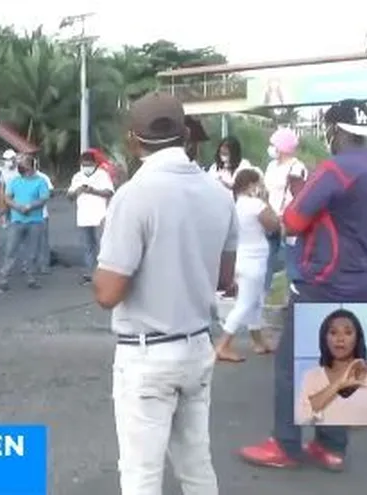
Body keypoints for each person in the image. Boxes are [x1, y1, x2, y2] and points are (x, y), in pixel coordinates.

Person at [93, 92, 237, 494]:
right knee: (196, 466)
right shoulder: (218, 194)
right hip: (196, 346)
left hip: (147, 353)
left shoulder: (134, 195)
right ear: (186, 134)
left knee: (141, 474)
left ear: (132, 139)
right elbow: (225, 277)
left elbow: (108, 291)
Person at [239, 99, 367, 472]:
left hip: (326, 281)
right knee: (344, 363)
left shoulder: (334, 169)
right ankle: (332, 447)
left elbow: (293, 218)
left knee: (293, 364)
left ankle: (286, 446)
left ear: (335, 131)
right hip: (366, 280)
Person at [215, 168, 278, 362]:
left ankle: (258, 342)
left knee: (255, 302)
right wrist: (266, 201)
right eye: (258, 183)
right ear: (251, 185)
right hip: (254, 262)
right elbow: (274, 225)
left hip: (240, 259)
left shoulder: (234, 205)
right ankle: (222, 345)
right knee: (244, 305)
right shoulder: (256, 205)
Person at [296, 308, 367, 426]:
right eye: (333, 333)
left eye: (348, 333)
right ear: (325, 338)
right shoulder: (311, 377)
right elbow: (301, 419)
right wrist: (338, 384)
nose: (340, 339)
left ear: (357, 338)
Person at [262, 128, 308, 299]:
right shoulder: (271, 166)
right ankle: (260, 302)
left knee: (292, 264)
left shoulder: (297, 167)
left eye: (274, 144)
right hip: (269, 220)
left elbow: (300, 197)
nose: (271, 148)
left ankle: (294, 302)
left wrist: (287, 220)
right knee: (264, 264)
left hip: (289, 224)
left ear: (282, 147)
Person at [0, 154, 50, 291]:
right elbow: (7, 197)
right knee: (11, 249)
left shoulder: (40, 181)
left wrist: (30, 206)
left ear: (31, 166)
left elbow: (44, 198)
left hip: (35, 221)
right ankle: (3, 276)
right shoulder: (15, 181)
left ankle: (31, 278)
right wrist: (17, 207)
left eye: (24, 164)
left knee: (32, 252)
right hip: (17, 220)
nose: (21, 167)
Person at [67, 151, 114, 285]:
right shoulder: (77, 177)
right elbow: (69, 197)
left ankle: (105, 274)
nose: (86, 167)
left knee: (102, 246)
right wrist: (77, 191)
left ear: (94, 164)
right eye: (83, 165)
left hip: (99, 217)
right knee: (87, 247)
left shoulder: (102, 175)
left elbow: (109, 192)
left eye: (88, 164)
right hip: (83, 218)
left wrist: (93, 190)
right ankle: (90, 274)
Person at [34, 167, 54, 275]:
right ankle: (28, 265)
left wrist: (40, 196)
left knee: (42, 242)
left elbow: (51, 191)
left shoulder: (42, 177)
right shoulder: (19, 178)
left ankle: (44, 265)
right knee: (27, 241)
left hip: (41, 214)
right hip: (25, 215)